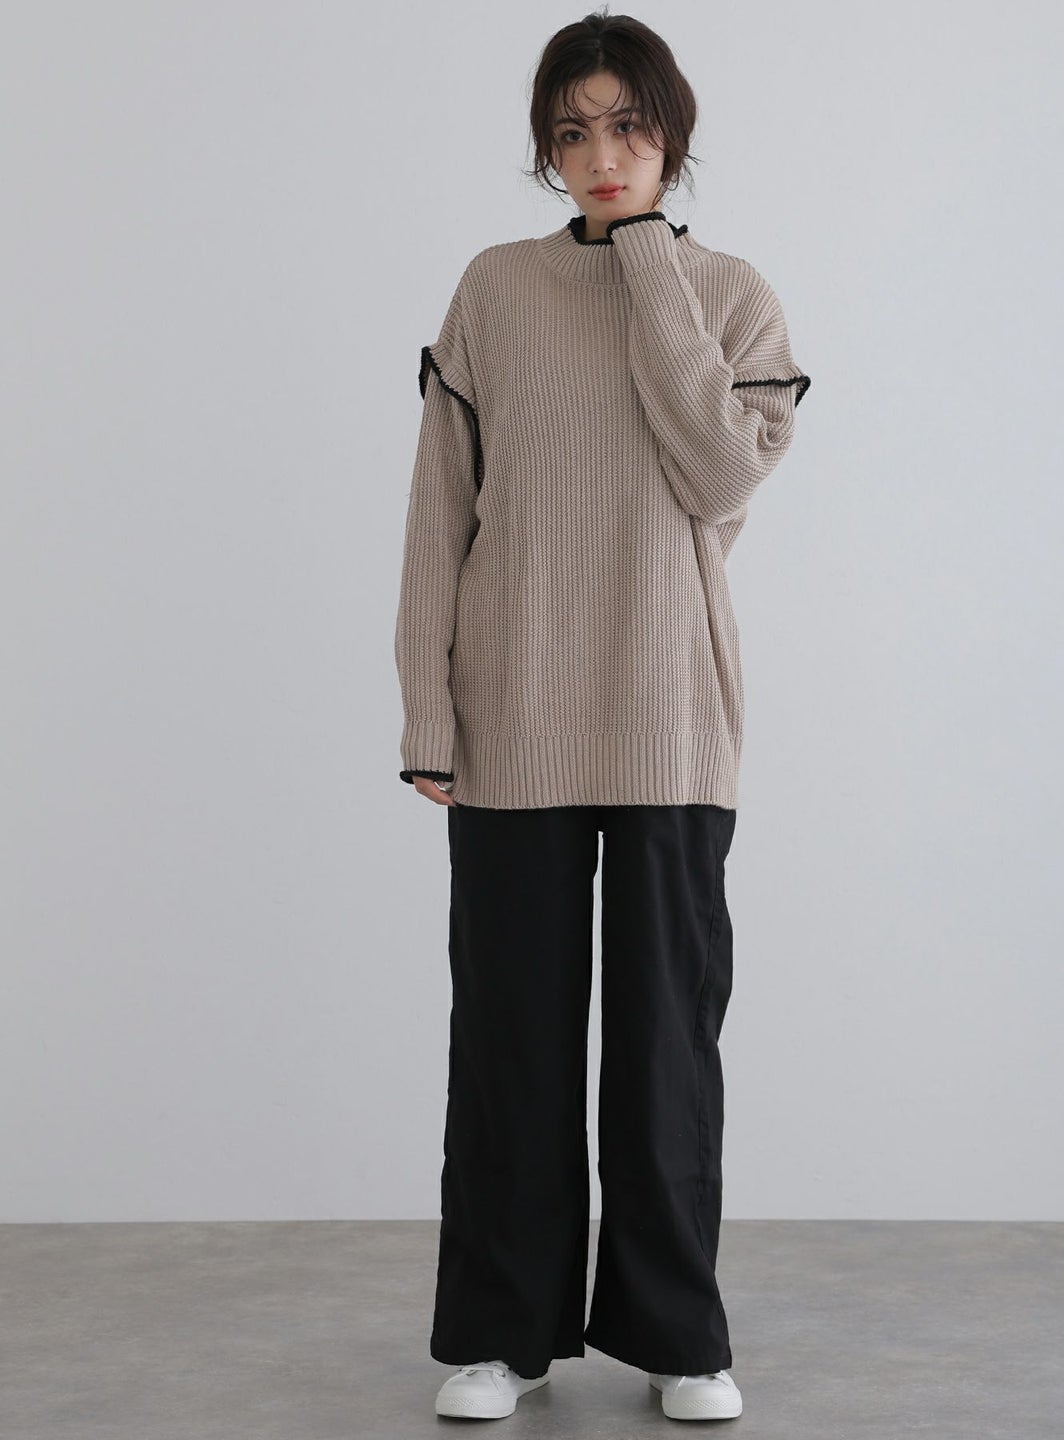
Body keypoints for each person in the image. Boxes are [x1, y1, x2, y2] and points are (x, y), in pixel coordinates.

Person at [394, 9, 810, 1423]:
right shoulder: (496, 290)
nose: (600, 154)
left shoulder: (731, 296)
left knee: (665, 1047)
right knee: (511, 1042)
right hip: (513, 711)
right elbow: (438, 516)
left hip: (671, 713)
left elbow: (716, 474)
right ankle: (500, 1333)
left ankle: (681, 1334)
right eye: (571, 133)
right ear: (546, 150)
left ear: (670, 133)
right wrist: (429, 713)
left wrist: (645, 259)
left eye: (627, 126)